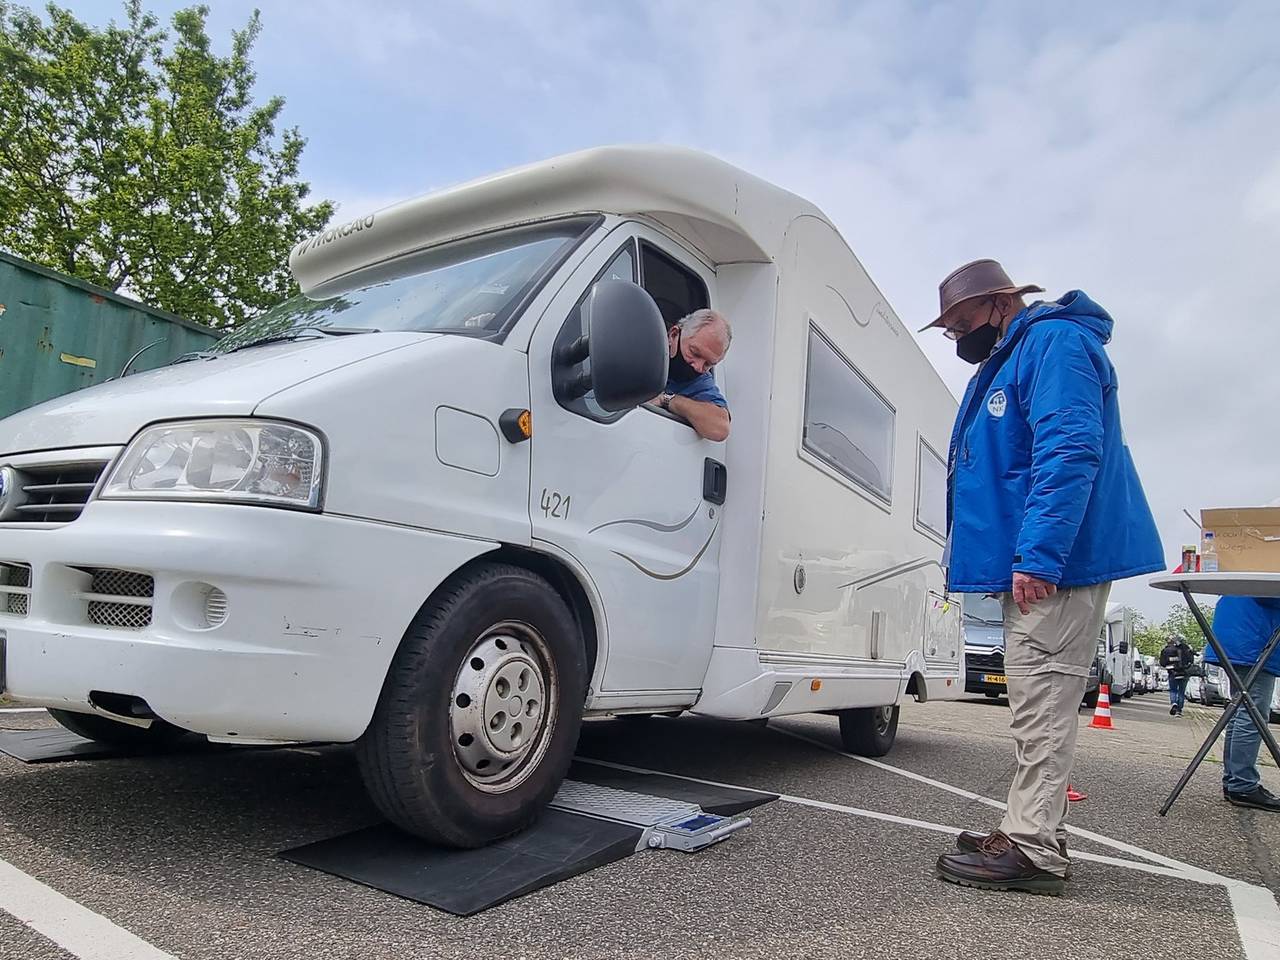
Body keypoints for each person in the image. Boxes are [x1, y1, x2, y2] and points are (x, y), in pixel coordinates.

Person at [921, 259, 1163, 896]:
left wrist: (1039, 555)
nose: (959, 338)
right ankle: (1032, 829)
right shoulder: (1023, 351)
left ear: (1000, 303)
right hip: (1042, 561)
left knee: (1043, 704)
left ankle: (1031, 849)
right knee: (1037, 702)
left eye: (962, 323)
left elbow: (1068, 447)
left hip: (1057, 564)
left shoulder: (1052, 342)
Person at [1204, 596, 1280, 812]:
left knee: (1242, 711)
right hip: (1254, 640)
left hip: (1239, 638)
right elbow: (1269, 593)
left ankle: (1235, 781)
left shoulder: (1245, 563)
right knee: (1253, 714)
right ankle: (1242, 784)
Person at [651, 309, 731, 441]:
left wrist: (668, 399)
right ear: (674, 335)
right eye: (695, 353)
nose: (698, 367)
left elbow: (720, 427)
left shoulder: (699, 381)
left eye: (708, 364)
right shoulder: (644, 349)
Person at [1160, 635, 1195, 716]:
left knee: (1173, 690)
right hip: (1184, 673)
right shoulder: (1186, 648)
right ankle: (1179, 710)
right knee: (1181, 692)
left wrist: (1170, 665)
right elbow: (1191, 660)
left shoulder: (1166, 650)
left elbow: (1162, 663)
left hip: (1172, 673)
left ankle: (1174, 703)